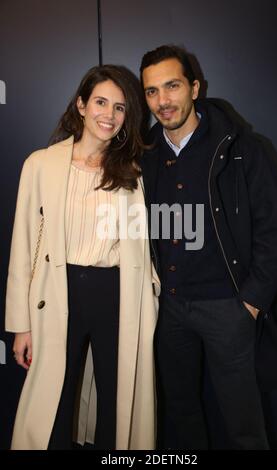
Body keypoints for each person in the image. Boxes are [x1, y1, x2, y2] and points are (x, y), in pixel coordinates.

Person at [140, 45, 277, 449]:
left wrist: (252, 302)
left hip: (228, 307)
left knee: (244, 423)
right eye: (152, 91)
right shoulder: (145, 156)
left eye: (171, 86)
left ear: (194, 87)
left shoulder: (242, 147)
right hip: (168, 309)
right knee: (182, 414)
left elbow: (276, 229)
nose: (162, 101)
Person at [5, 65, 160, 450]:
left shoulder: (133, 171)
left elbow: (142, 244)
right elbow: (23, 248)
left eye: (120, 108)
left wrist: (151, 292)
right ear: (81, 105)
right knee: (53, 401)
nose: (109, 115)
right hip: (58, 293)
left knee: (118, 400)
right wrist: (20, 325)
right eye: (101, 103)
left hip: (116, 294)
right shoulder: (40, 165)